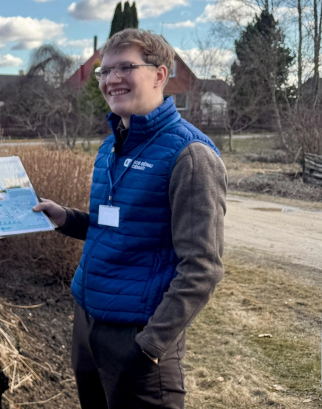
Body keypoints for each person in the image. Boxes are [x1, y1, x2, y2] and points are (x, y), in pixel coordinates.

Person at [34, 28, 226, 409]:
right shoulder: (111, 146)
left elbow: (203, 266)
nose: (111, 79)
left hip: (137, 336)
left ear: (159, 74)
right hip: (88, 324)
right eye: (105, 71)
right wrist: (66, 219)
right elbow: (119, 225)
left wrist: (151, 345)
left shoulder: (190, 154)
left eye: (125, 68)